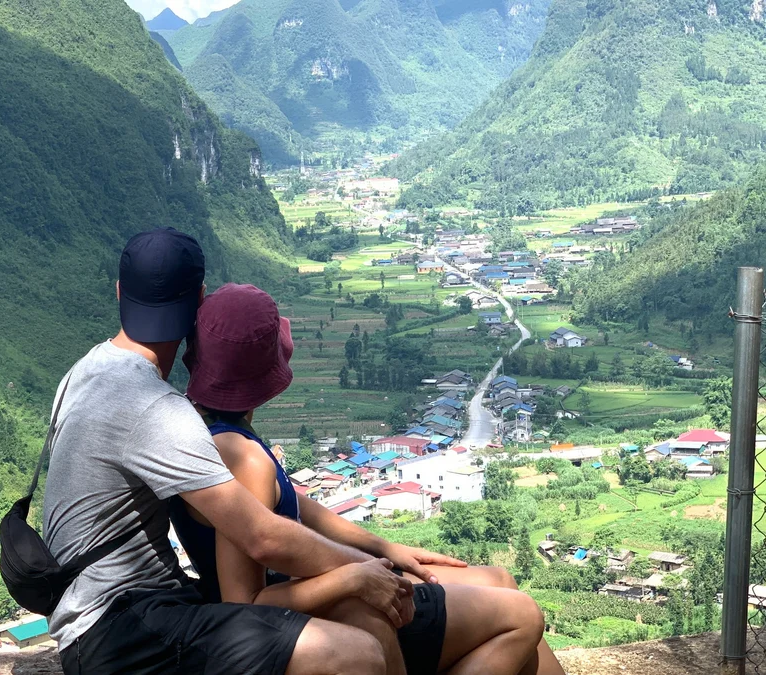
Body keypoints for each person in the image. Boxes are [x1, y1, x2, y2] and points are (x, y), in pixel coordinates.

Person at [41, 229, 407, 675]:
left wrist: (371, 554)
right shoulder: (156, 408)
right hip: (119, 629)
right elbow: (263, 536)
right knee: (355, 653)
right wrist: (368, 569)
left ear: (119, 292)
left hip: (107, 617)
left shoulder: (84, 370)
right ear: (200, 301)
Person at [173, 283, 566, 675]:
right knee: (522, 616)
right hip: (325, 608)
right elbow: (243, 606)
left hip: (328, 586)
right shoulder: (240, 457)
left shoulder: (214, 433)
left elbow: (295, 505)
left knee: (499, 579)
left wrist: (385, 547)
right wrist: (351, 578)